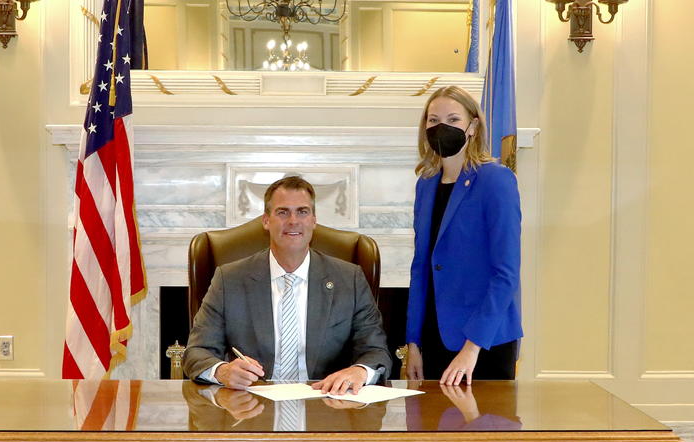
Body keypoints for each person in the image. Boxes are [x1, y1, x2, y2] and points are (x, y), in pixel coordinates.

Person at [182, 175, 392, 395]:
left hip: (327, 404)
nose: (293, 221)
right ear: (266, 220)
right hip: (251, 407)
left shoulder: (349, 279)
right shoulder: (229, 279)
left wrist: (359, 371)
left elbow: (376, 352)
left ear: (313, 220)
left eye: (302, 212)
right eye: (283, 212)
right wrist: (222, 371)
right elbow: (197, 351)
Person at [405, 85, 522, 385]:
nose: (441, 127)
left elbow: (505, 274)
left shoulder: (496, 180)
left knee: (480, 432)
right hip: (433, 337)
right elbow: (421, 268)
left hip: (484, 341)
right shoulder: (426, 184)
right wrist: (413, 344)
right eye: (433, 120)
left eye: (453, 119)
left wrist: (472, 348)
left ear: (473, 126)